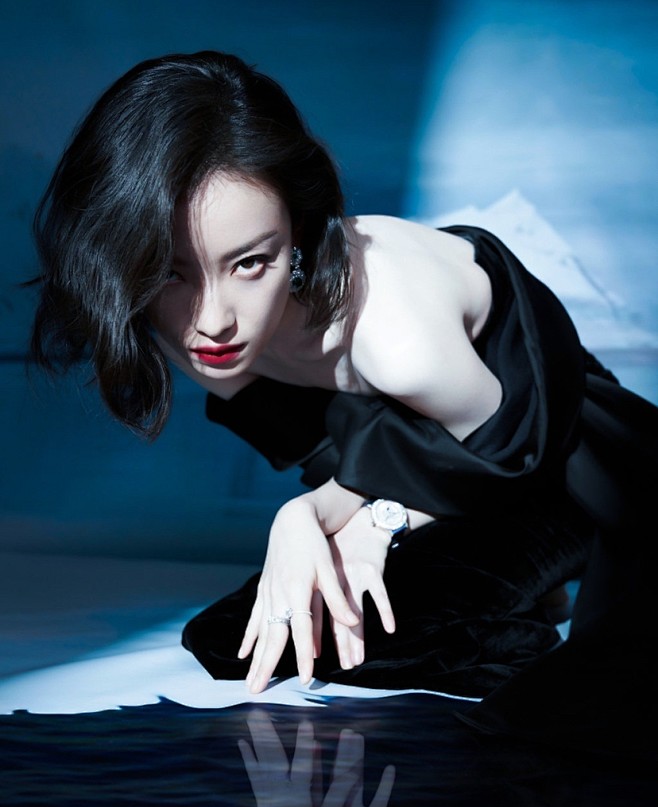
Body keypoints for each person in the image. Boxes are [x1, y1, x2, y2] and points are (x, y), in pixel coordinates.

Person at [31, 51, 658, 755]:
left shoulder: (396, 337)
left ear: (299, 233)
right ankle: (519, 594)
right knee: (236, 638)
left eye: (250, 262)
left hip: (566, 470)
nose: (213, 320)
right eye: (171, 273)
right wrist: (333, 516)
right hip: (439, 481)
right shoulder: (194, 333)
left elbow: (507, 451)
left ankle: (528, 599)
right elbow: (332, 448)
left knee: (431, 653)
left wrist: (345, 517)